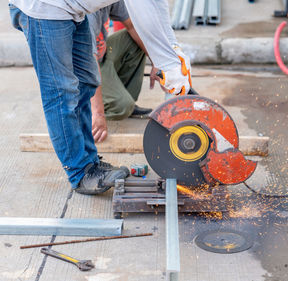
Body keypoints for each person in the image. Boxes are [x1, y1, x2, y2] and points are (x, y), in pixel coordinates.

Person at [9, 0, 192, 195]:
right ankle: (80, 173)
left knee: (86, 81)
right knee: (61, 93)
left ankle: (90, 163)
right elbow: (144, 12)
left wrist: (173, 52)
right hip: (45, 8)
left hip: (73, 10)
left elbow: (157, 7)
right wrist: (166, 60)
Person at [88, 1, 155, 143]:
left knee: (136, 38)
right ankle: (88, 111)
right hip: (83, 66)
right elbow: (89, 60)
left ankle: (122, 100)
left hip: (102, 52)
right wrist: (98, 114)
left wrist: (157, 62)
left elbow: (131, 25)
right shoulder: (88, 10)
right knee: (122, 107)